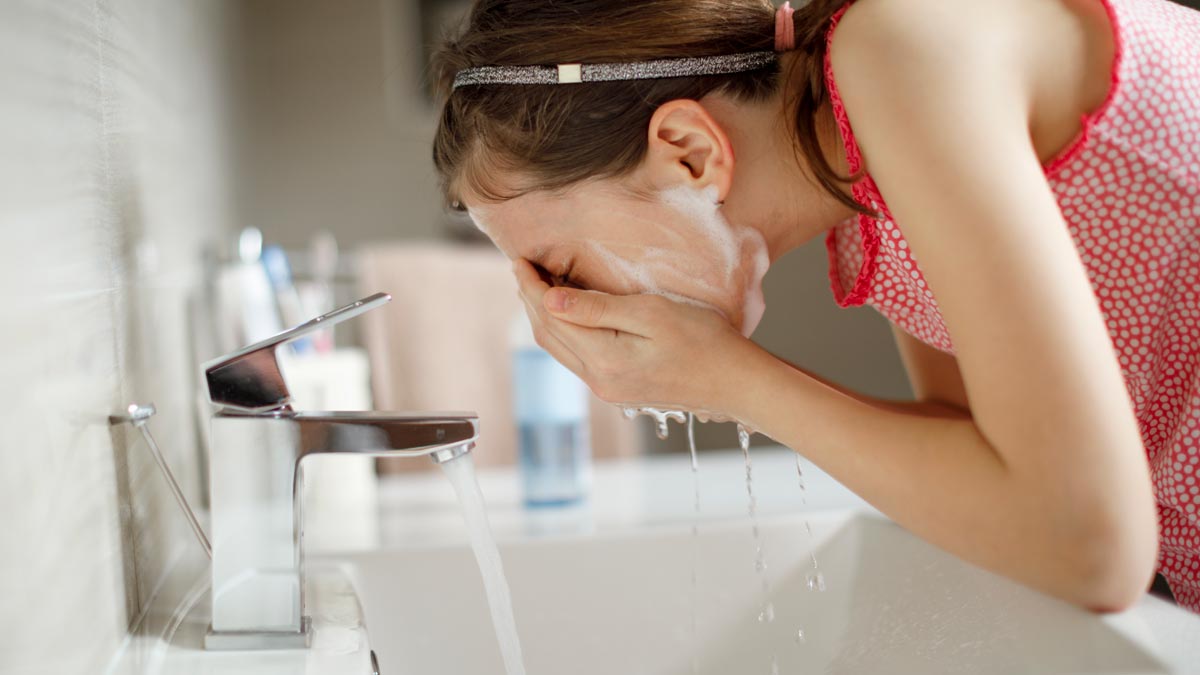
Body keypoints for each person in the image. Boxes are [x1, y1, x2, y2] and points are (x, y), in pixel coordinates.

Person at [430, 0, 1200, 613]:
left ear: (690, 152)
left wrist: (730, 379)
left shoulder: (904, 52)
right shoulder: (863, 193)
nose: (555, 310)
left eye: (555, 267)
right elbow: (990, 468)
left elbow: (1092, 546)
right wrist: (727, 378)